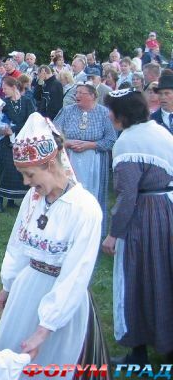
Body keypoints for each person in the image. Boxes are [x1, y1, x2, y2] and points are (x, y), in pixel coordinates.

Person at [0, 113, 105, 369]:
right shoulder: (33, 199)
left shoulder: (84, 208)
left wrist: (45, 328)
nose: (25, 183)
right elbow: (17, 246)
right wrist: (8, 286)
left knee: (51, 363)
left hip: (62, 298)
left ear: (51, 164)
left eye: (30, 175)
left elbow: (77, 272)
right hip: (27, 290)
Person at [102, 89, 173, 366]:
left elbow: (128, 195)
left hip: (146, 216)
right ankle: (166, 343)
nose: (109, 115)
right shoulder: (160, 131)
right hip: (168, 208)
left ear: (122, 114)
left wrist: (113, 233)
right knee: (165, 276)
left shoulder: (129, 142)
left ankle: (138, 352)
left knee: (136, 276)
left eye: (112, 110)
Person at [53, 83, 116, 235]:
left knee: (90, 195)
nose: (77, 95)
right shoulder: (67, 111)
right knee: (68, 193)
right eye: (77, 92)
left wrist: (91, 145)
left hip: (93, 162)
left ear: (93, 96)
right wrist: (66, 143)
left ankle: (89, 230)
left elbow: (111, 139)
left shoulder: (104, 113)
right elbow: (53, 133)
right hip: (69, 159)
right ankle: (64, 229)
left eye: (82, 93)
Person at [0, 77, 35, 212]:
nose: (3, 90)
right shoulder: (4, 103)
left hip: (23, 141)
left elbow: (32, 119)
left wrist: (16, 129)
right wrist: (3, 129)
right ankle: (0, 201)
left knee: (21, 171)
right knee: (6, 170)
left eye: (5, 88)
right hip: (7, 142)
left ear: (14, 87)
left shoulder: (27, 101)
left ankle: (13, 201)